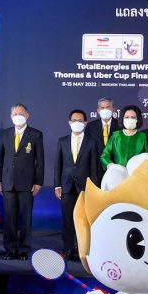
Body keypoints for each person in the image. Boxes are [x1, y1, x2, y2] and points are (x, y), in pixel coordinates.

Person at [0, 104, 44, 260]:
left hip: (27, 183)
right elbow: (0, 158)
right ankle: (10, 249)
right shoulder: (6, 134)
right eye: (15, 114)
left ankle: (24, 249)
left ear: (27, 115)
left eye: (21, 113)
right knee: (10, 218)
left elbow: (40, 161)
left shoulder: (35, 134)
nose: (18, 116)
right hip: (8, 182)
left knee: (25, 218)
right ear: (11, 117)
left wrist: (38, 182)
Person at [54, 109, 100, 261]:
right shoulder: (62, 141)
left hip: (84, 188)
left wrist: (93, 189)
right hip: (66, 186)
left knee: (84, 220)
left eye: (80, 121)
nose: (77, 123)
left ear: (85, 123)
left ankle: (83, 249)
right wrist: (57, 185)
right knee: (67, 220)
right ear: (69, 123)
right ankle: (68, 249)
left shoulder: (92, 142)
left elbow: (94, 168)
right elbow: (58, 165)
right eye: (74, 120)